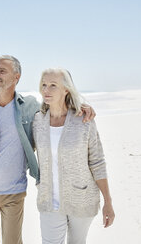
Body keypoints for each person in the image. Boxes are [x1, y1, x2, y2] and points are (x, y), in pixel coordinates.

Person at [0, 56, 95, 244]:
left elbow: (57, 107)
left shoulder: (30, 106)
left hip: (13, 193)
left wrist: (80, 106)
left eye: (2, 71)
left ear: (17, 77)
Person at [32, 68, 115, 244]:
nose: (46, 90)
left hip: (81, 198)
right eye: (44, 85)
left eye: (53, 85)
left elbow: (97, 162)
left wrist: (108, 201)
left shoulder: (84, 120)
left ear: (66, 89)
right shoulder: (37, 121)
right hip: (48, 200)